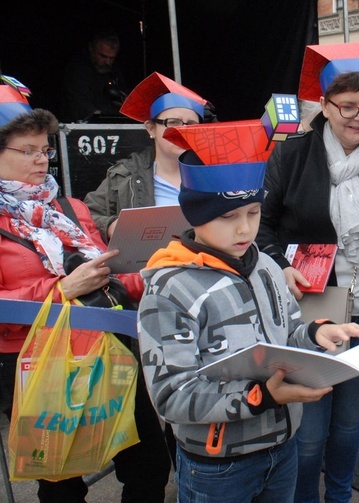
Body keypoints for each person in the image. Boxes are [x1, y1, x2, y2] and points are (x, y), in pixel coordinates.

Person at [136, 119, 359, 502]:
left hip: (282, 449)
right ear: (195, 215)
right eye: (227, 217)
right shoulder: (170, 288)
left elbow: (288, 332)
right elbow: (170, 395)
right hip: (219, 465)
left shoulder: (266, 266)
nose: (244, 230)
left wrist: (313, 334)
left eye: (254, 213)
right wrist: (261, 396)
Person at [256, 42, 359, 503]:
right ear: (325, 107)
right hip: (313, 315)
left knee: (349, 425)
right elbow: (261, 225)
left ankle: (339, 497)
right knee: (308, 435)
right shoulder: (291, 156)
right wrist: (282, 263)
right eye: (348, 106)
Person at [0, 81, 169, 503]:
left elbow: (106, 279)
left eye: (45, 149)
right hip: (37, 361)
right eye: (29, 150)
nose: (43, 160)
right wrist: (61, 290)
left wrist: (153, 272)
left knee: (150, 461)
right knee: (60, 480)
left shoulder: (70, 208)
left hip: (108, 347)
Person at [84, 72, 208, 241]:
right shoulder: (124, 175)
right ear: (151, 129)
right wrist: (112, 226)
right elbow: (86, 216)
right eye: (172, 123)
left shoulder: (213, 175)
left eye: (191, 125)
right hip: (146, 265)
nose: (182, 131)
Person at [61, 30, 129, 122]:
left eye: (111, 58)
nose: (107, 62)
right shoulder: (78, 70)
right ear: (91, 48)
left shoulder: (116, 72)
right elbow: (79, 104)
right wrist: (100, 116)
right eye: (103, 57)